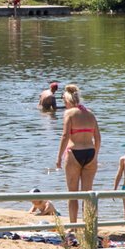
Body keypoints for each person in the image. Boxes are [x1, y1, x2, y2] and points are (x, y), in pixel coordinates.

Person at [54, 84, 100, 228]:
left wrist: (59, 157)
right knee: (88, 195)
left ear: (67, 101)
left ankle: (73, 227)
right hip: (90, 153)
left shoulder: (69, 113)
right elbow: (98, 138)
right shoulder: (91, 113)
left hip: (74, 153)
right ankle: (89, 227)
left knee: (72, 194)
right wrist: (95, 156)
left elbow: (65, 135)